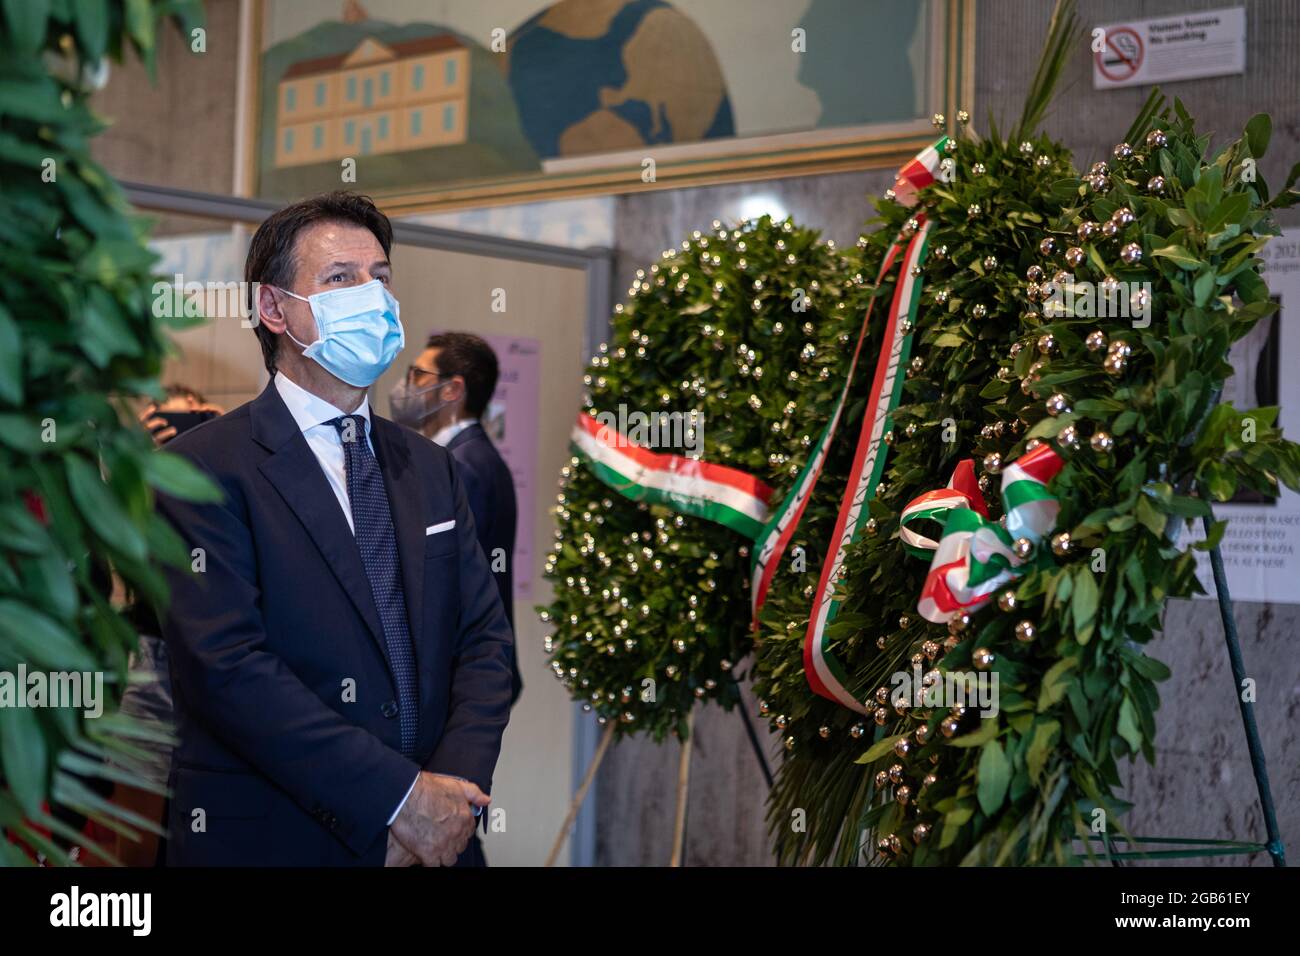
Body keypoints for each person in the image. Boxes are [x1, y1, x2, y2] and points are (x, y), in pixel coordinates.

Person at [154, 191, 514, 867]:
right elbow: (228, 671)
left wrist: (451, 799)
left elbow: (485, 642)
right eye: (340, 278)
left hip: (439, 840)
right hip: (276, 836)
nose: (372, 296)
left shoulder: (431, 468)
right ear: (272, 308)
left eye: (380, 277)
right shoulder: (199, 470)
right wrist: (398, 799)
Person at [389, 332, 522, 705]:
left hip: (457, 674)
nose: (405, 386)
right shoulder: (465, 456)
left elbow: (445, 584)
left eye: (418, 375)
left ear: (452, 390)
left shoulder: (464, 466)